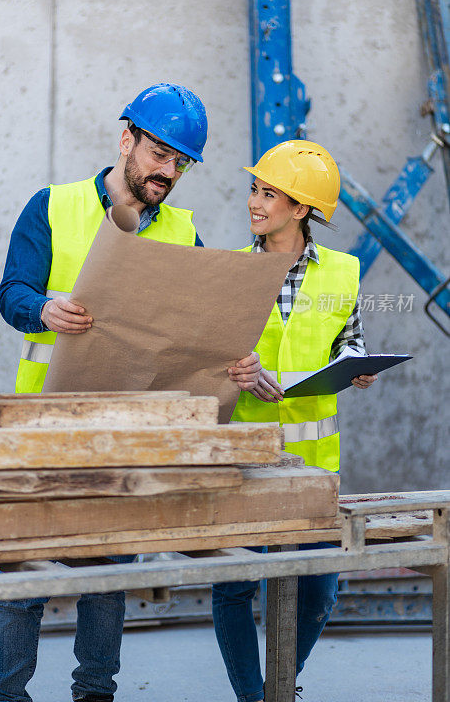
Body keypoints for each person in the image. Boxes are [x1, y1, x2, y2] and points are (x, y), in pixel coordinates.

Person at [0, 83, 261, 702]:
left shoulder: (183, 231)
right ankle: (4, 694)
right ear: (126, 140)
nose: (167, 171)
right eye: (159, 153)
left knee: (110, 569)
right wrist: (43, 309)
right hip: (44, 426)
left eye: (180, 162)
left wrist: (230, 358)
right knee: (24, 571)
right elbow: (12, 293)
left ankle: (95, 692)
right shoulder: (52, 208)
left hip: (128, 431)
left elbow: (195, 330)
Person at [218, 140, 378, 702]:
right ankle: (253, 698)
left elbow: (350, 339)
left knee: (319, 592)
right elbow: (206, 354)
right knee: (236, 587)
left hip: (314, 463)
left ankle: (276, 686)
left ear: (302, 208)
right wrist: (231, 368)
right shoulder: (233, 270)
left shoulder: (343, 272)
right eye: (254, 190)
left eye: (268, 193)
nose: (253, 203)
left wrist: (358, 368)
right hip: (246, 455)